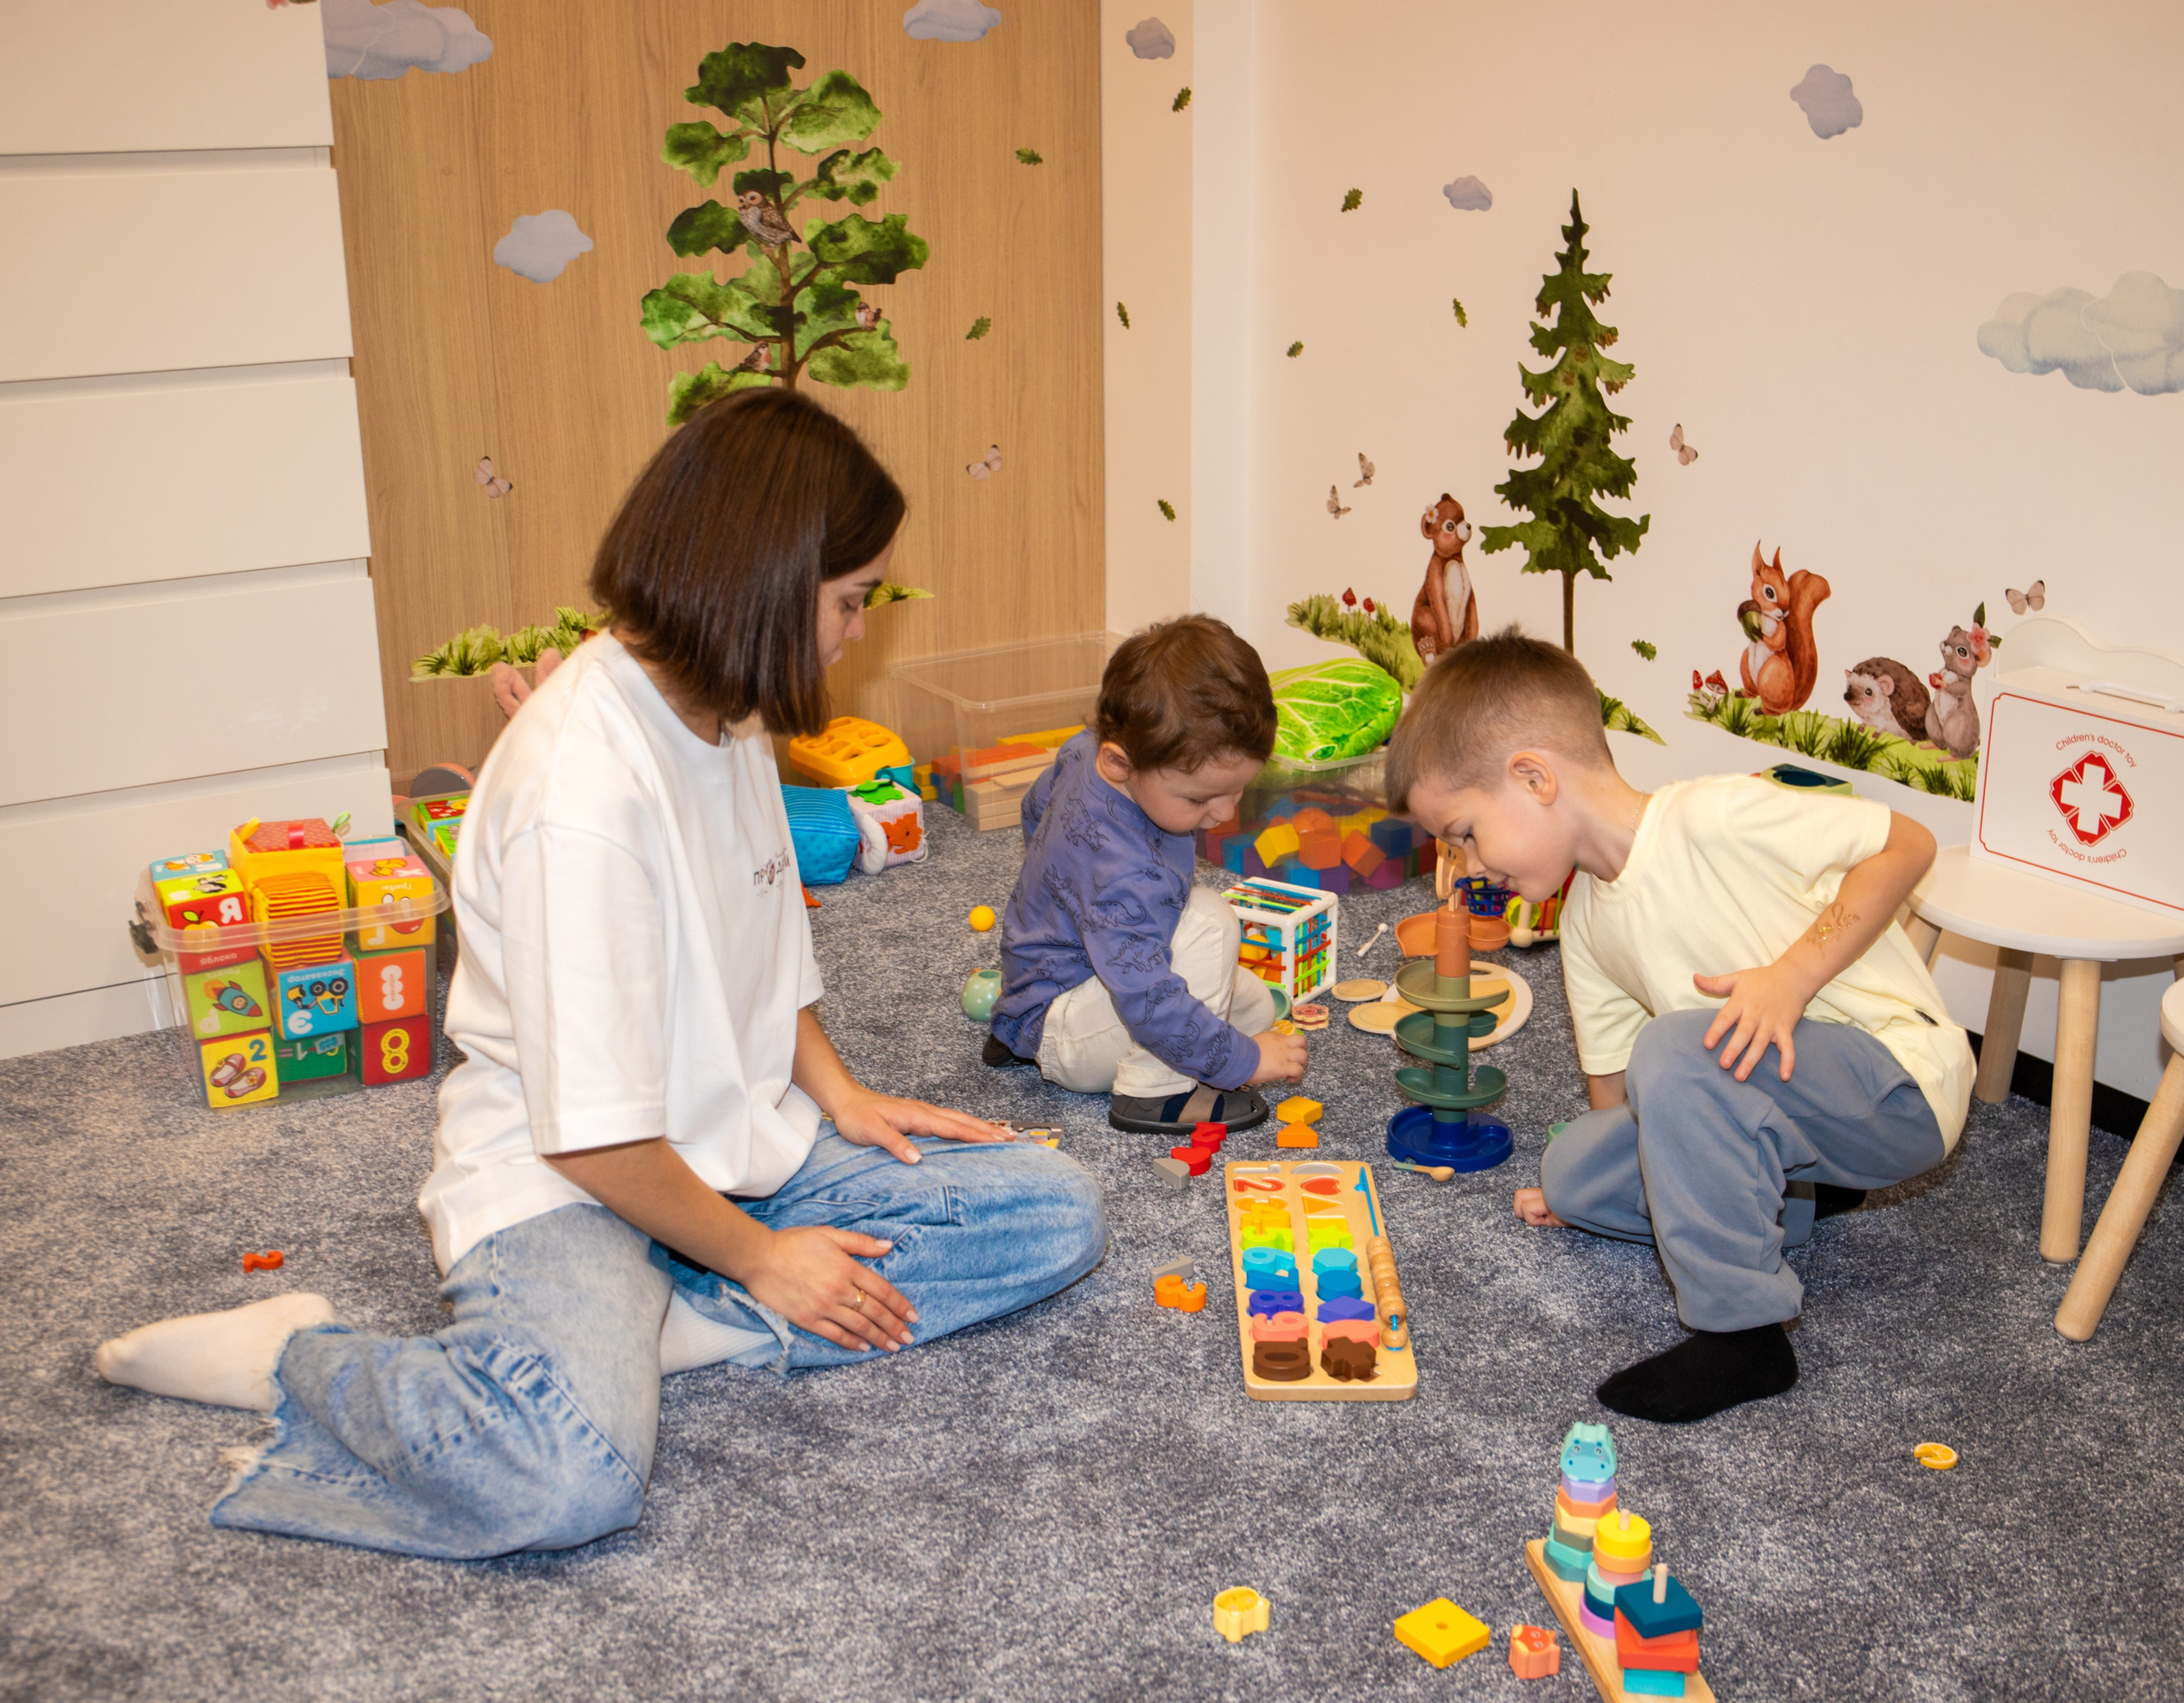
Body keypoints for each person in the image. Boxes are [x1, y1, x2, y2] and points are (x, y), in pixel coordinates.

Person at [95, 391, 1107, 1558]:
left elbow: (767, 942)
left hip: (731, 1145)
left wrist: (839, 1096)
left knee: (1048, 1211)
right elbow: (592, 1139)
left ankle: (675, 1320)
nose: (857, 632)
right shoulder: (582, 796)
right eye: (848, 601)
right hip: (572, 1175)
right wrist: (769, 1257)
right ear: (764, 587)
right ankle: (296, 1356)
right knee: (564, 1479)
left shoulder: (724, 714)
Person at [1386, 627, 1972, 1424]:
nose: (1467, 865)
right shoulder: (1587, 917)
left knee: (1678, 1047)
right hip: (1773, 1092)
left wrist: (1790, 979)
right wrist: (1599, 1179)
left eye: (1463, 834)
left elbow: (1908, 843)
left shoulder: (1713, 814)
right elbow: (1615, 1093)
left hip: (1895, 1083)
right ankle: (1794, 1197)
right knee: (1574, 1168)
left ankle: (1744, 1337)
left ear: (1533, 777)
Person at [984, 616, 1308, 1136]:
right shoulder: (1122, 873)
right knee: (1209, 922)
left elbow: (1035, 808)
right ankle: (1157, 1093)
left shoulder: (1086, 748)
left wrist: (1066, 891)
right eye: (1200, 798)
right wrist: (1242, 1065)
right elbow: (1148, 998)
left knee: (1251, 1009)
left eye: (1238, 789)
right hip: (1065, 1029)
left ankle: (1021, 1029)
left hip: (1042, 989)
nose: (1224, 814)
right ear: (1120, 764)